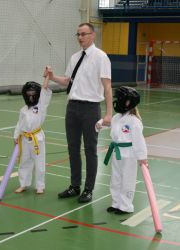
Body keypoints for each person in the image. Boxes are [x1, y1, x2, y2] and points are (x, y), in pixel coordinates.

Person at [44, 23, 112, 203]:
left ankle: (88, 189)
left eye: (84, 34)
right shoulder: (75, 57)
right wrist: (52, 77)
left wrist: (109, 113)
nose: (80, 37)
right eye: (78, 34)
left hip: (91, 109)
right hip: (72, 108)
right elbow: (68, 81)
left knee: (90, 149)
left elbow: (107, 86)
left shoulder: (101, 57)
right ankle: (75, 186)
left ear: (93, 35)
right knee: (72, 148)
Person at [102, 86, 148, 214]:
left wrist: (142, 158)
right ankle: (116, 203)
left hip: (129, 155)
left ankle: (126, 206)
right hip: (117, 154)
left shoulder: (134, 121)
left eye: (120, 99)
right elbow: (107, 123)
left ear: (128, 102)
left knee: (127, 180)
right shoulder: (117, 117)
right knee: (115, 179)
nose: (117, 101)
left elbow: (139, 141)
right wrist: (99, 124)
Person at [13, 72, 52, 194]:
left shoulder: (41, 106)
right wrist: (16, 136)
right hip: (24, 138)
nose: (30, 96)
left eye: (33, 93)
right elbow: (19, 124)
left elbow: (44, 90)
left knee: (39, 163)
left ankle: (40, 186)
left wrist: (47, 76)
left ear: (36, 95)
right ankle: (24, 184)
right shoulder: (23, 110)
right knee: (24, 162)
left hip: (37, 138)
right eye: (28, 94)